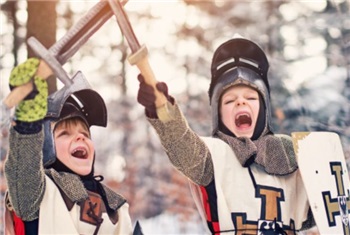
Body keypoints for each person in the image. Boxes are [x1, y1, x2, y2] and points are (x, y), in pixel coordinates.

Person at [137, 36, 316, 234]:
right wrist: (162, 111)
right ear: (218, 114)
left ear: (264, 108)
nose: (241, 102)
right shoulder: (211, 157)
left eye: (250, 97)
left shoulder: (289, 154)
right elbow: (183, 145)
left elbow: (322, 209)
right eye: (230, 101)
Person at [4, 58, 133, 234]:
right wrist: (28, 123)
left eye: (85, 134)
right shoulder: (38, 193)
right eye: (65, 133)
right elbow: (24, 168)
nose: (80, 137)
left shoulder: (116, 207)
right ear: (45, 146)